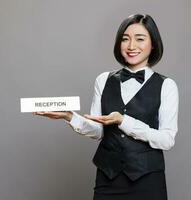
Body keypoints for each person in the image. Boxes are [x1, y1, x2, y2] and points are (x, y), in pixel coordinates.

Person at [34, 13, 179, 200]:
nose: (131, 46)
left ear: (153, 44)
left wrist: (123, 121)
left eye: (140, 39)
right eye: (125, 39)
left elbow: (167, 140)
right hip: (108, 178)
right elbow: (98, 131)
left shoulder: (166, 85)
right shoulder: (103, 80)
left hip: (148, 180)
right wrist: (70, 116)